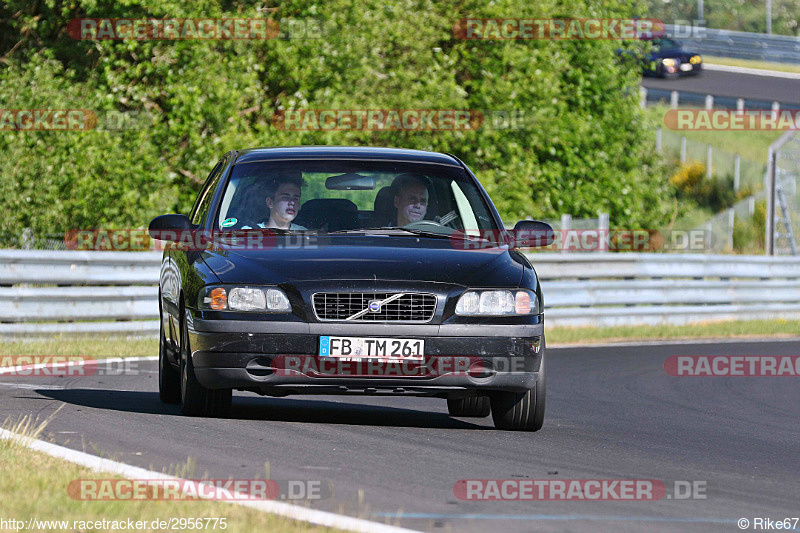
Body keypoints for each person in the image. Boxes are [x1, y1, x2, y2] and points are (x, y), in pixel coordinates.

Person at [240, 172, 307, 230]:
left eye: (296, 199)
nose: (292, 203)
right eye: (285, 197)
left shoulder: (306, 234)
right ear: (270, 202)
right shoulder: (249, 232)